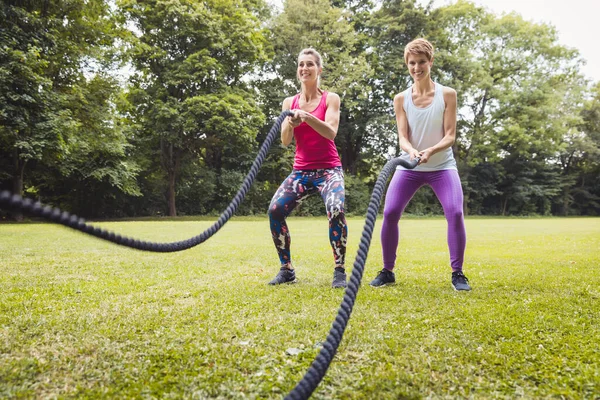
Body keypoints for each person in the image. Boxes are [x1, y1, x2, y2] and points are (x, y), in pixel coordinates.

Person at [369, 38, 471, 291]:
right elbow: (403, 136)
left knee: (455, 213)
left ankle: (457, 273)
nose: (417, 67)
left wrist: (431, 150)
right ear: (407, 65)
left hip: (442, 167)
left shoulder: (447, 94)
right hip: (409, 167)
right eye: (412, 63)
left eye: (422, 62)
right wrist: (412, 151)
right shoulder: (401, 98)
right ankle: (387, 271)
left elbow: (450, 135)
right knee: (390, 213)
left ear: (431, 62)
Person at [267, 48, 348, 289]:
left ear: (319, 69)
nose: (305, 68)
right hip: (301, 172)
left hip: (329, 170)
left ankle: (339, 270)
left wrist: (307, 117)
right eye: (301, 64)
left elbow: (330, 132)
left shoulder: (330, 99)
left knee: (336, 208)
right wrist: (290, 123)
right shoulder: (288, 102)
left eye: (310, 64)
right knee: (275, 210)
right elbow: (284, 140)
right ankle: (286, 269)